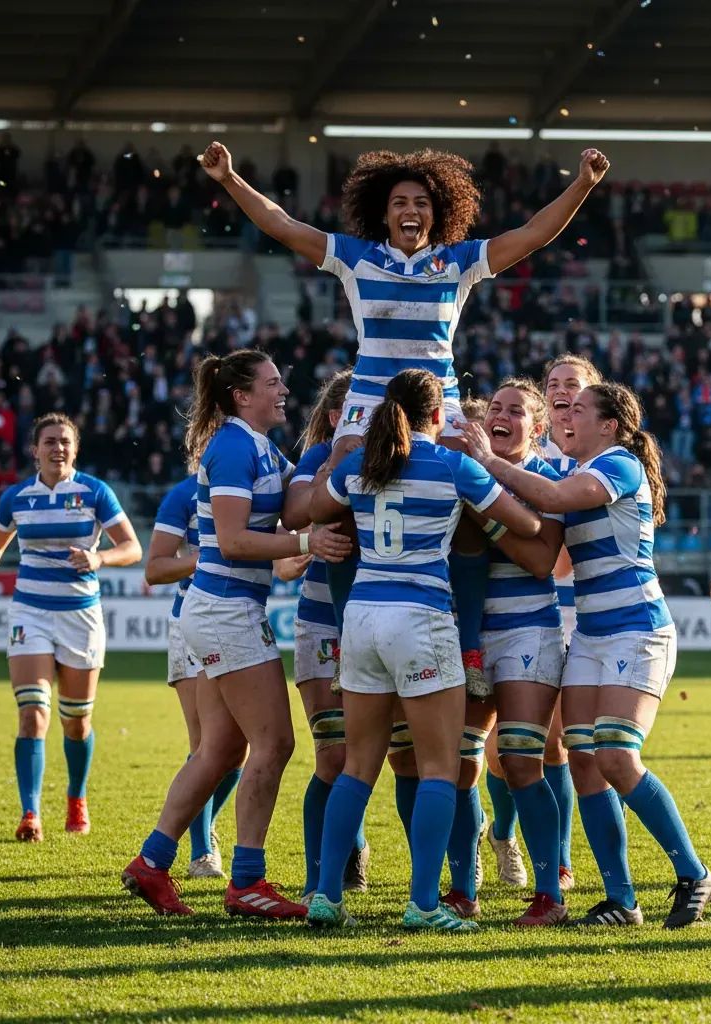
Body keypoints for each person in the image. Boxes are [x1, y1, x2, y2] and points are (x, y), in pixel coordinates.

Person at [198, 138, 610, 690]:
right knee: (339, 514)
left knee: (465, 512)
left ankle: (465, 651)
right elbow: (281, 224)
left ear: (438, 211)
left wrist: (582, 184)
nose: (410, 210)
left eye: (420, 202)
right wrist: (229, 179)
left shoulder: (459, 262)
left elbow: (531, 234)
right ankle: (351, 642)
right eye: (399, 203)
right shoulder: (356, 257)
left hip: (440, 409)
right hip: (369, 407)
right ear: (382, 212)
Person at [462, 382, 711, 928]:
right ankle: (621, 900)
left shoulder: (620, 464)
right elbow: (545, 511)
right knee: (584, 763)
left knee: (617, 757)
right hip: (590, 635)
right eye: (563, 408)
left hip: (637, 629)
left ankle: (694, 872)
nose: (566, 415)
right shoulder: (566, 472)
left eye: (579, 409)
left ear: (610, 426)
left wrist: (485, 460)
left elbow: (554, 502)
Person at [303, 369, 543, 931]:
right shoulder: (452, 465)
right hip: (422, 616)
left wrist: (342, 453)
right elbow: (528, 523)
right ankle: (424, 905)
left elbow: (315, 508)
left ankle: (326, 898)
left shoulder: (361, 463)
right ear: (440, 416)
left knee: (358, 766)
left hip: (360, 617)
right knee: (440, 767)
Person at [121, 350, 352, 917]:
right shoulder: (231, 446)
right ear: (241, 396)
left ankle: (151, 864)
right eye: (272, 383)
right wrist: (306, 545)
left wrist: (334, 466)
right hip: (225, 609)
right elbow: (231, 541)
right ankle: (247, 880)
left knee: (222, 748)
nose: (283, 389)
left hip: (224, 608)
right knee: (276, 744)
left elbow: (288, 514)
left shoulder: (260, 446)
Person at [0, 413, 143, 842]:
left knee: (76, 723)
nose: (58, 448)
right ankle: (30, 814)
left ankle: (76, 798)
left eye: (65, 441)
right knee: (32, 716)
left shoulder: (95, 492)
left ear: (75, 449)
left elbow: (132, 547)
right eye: (50, 441)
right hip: (31, 614)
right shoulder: (16, 498)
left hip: (80, 616)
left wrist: (99, 558)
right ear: (35, 449)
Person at [466, 378, 570, 926]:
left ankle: (550, 890)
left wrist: (483, 512)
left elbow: (540, 561)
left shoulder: (551, 480)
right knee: (460, 763)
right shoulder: (465, 468)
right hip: (465, 635)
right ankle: (462, 888)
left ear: (538, 426)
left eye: (515, 411)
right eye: (495, 408)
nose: (501, 416)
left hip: (528, 631)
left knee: (521, 760)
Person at [279, 369, 370, 901]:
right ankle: (322, 879)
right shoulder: (315, 461)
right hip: (323, 622)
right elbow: (290, 523)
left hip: (391, 622)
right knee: (333, 757)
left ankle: (436, 881)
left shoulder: (399, 459)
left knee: (386, 755)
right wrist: (308, 543)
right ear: (337, 417)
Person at [145, 473, 242, 879]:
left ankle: (202, 824)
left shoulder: (254, 487)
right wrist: (204, 559)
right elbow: (155, 568)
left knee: (239, 748)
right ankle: (202, 850)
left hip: (240, 621)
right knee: (206, 742)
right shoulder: (183, 494)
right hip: (192, 622)